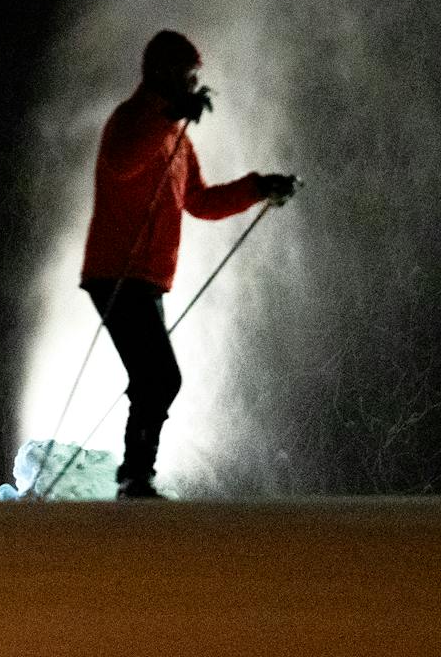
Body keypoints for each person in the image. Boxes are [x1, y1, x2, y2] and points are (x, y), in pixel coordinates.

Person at [80, 29, 296, 498]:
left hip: (147, 277)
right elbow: (121, 162)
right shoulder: (132, 120)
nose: (194, 84)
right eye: (187, 74)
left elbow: (198, 200)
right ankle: (135, 476)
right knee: (160, 376)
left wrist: (259, 187)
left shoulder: (177, 138)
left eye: (196, 76)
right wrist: (167, 117)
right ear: (162, 72)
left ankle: (136, 474)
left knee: (154, 376)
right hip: (116, 272)